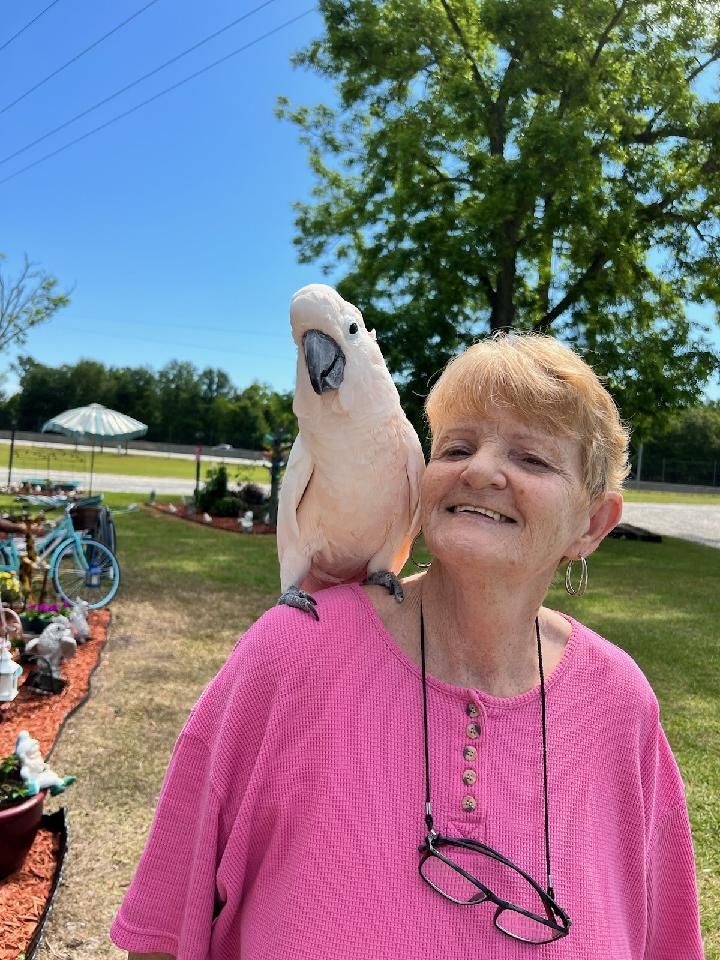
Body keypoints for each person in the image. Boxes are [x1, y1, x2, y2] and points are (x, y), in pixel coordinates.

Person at [111, 334, 703, 959]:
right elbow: (163, 932)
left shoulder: (620, 701)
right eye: (457, 446)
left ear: (592, 524)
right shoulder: (291, 653)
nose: (479, 470)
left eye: (531, 458)